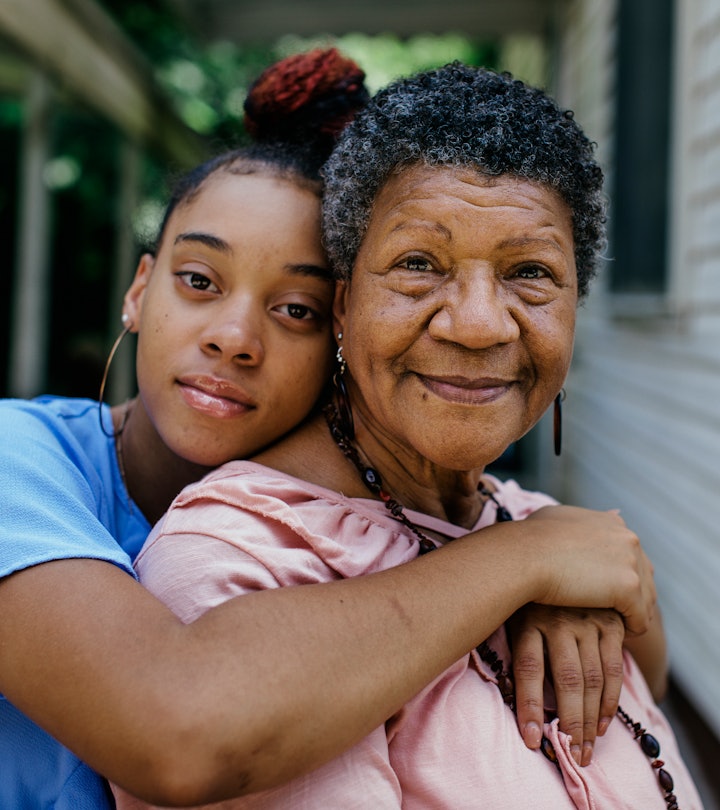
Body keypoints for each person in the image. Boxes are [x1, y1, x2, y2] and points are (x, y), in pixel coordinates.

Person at [0, 50, 655, 809]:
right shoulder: (25, 466)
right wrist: (528, 557)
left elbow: (649, 680)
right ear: (140, 290)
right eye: (199, 281)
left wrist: (566, 581)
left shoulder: (400, 517)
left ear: (339, 327)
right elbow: (178, 728)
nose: (235, 338)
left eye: (296, 310)